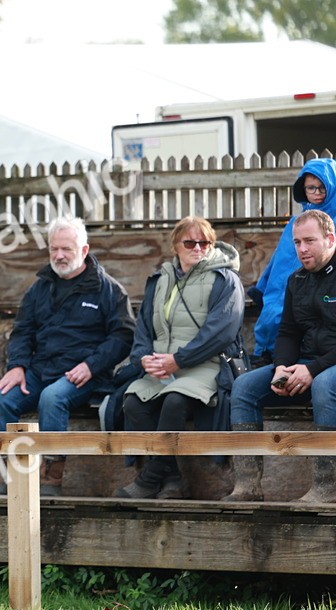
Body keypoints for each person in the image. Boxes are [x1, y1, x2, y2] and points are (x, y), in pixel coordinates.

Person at [0, 216, 136, 496]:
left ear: (84, 250)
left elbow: (123, 336)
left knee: (53, 397)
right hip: (40, 370)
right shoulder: (39, 288)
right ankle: (17, 478)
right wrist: (17, 365)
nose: (59, 255)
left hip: (85, 374)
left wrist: (91, 366)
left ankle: (49, 480)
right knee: (0, 400)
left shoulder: (109, 290)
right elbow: (22, 331)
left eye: (66, 249)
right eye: (54, 248)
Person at [114, 216, 245, 500]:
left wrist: (179, 360)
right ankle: (172, 478)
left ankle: (149, 480)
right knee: (133, 402)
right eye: (189, 242)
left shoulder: (226, 280)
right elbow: (143, 330)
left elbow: (220, 333)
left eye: (205, 242)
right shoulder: (159, 280)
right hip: (162, 367)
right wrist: (143, 360)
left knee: (174, 401)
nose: (198, 248)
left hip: (204, 366)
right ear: (175, 245)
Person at [225, 209, 336, 503]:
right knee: (244, 387)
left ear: (330, 239)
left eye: (309, 241)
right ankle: (247, 486)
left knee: (325, 384)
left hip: (326, 371)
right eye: (297, 242)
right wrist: (282, 368)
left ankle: (327, 487)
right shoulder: (296, 280)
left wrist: (312, 369)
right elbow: (287, 332)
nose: (302, 249)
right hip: (307, 367)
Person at [249, 158, 336, 363]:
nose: (315, 193)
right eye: (310, 188)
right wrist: (262, 287)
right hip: (283, 290)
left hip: (318, 303)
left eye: (321, 188)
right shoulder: (296, 222)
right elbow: (279, 259)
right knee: (271, 322)